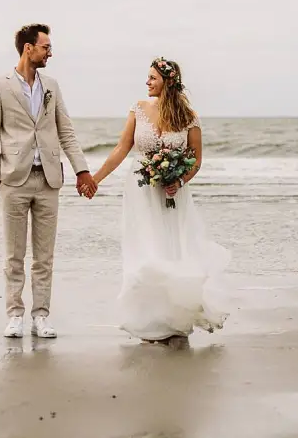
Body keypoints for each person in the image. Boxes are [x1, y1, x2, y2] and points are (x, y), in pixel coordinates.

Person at [92, 57, 229, 345]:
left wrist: (178, 180)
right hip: (140, 191)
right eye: (148, 77)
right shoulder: (138, 109)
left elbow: (195, 159)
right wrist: (95, 178)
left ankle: (174, 316)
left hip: (172, 194)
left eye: (153, 77)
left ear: (167, 81)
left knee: (170, 249)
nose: (147, 82)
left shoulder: (188, 116)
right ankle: (148, 319)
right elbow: (121, 148)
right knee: (145, 248)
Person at [0, 23, 97, 339]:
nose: (50, 52)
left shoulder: (52, 86)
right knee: (14, 254)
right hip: (13, 181)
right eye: (46, 46)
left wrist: (82, 171)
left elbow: (66, 131)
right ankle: (15, 314)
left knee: (44, 256)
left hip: (48, 180)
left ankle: (41, 316)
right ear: (27, 48)